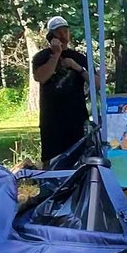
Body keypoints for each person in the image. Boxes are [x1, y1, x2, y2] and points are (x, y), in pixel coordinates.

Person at [31, 15, 90, 163]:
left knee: (78, 159)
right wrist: (56, 54)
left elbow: (97, 83)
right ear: (51, 35)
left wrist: (77, 67)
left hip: (76, 119)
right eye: (59, 32)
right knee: (52, 161)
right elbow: (40, 77)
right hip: (52, 121)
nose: (64, 36)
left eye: (66, 31)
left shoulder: (78, 57)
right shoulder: (42, 57)